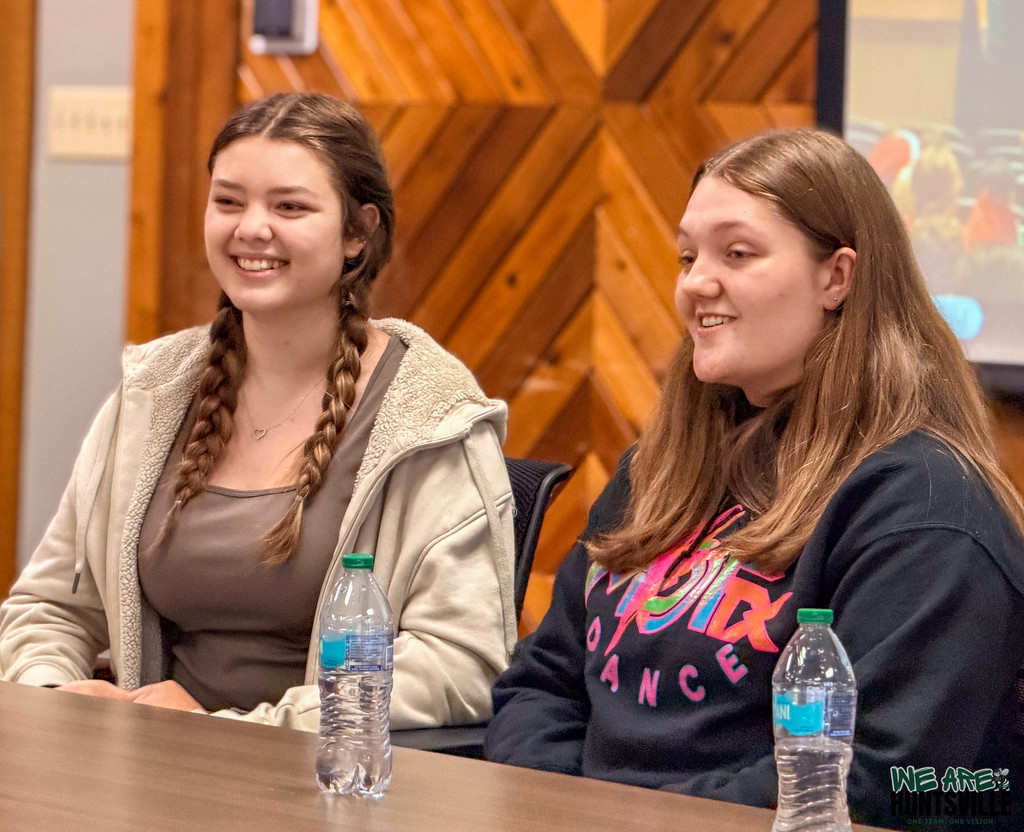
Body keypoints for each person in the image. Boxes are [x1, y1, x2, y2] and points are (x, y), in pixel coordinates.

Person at [484, 128, 1024, 830]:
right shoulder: (658, 470)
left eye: (737, 253)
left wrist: (629, 819)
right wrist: (561, 805)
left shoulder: (926, 508)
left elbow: (882, 777)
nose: (694, 284)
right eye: (687, 256)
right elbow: (540, 685)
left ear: (838, 277)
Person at [0, 92, 516, 731]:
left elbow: (458, 663)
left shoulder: (431, 414)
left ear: (357, 233)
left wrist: (242, 729)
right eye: (228, 201)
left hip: (324, 787)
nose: (250, 227)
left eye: (290, 206)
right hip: (146, 773)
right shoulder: (154, 391)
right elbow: (50, 608)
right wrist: (56, 693)